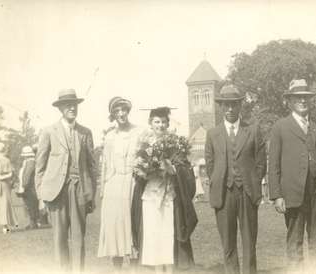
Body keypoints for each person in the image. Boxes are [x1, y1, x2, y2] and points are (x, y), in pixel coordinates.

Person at [268, 79, 316, 272]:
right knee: (295, 239)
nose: (302, 101)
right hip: (292, 192)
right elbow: (273, 164)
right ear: (290, 101)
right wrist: (276, 195)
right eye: (298, 97)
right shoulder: (280, 127)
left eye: (305, 97)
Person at [205, 85, 267, 274]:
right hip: (224, 194)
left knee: (249, 241)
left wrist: (253, 182)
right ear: (221, 107)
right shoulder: (213, 133)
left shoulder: (252, 130)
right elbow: (210, 164)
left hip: (247, 193)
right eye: (226, 105)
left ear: (240, 106)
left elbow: (261, 162)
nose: (230, 109)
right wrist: (221, 180)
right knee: (228, 242)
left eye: (233, 105)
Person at [35, 89, 96, 272]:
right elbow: (40, 167)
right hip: (56, 191)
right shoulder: (48, 131)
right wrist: (40, 197)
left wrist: (91, 194)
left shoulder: (85, 132)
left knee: (78, 238)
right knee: (59, 238)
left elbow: (92, 167)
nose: (72, 108)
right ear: (60, 108)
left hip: (80, 190)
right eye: (68, 105)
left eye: (74, 105)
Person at [132, 107, 197, 274]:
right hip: (150, 196)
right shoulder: (144, 144)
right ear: (150, 123)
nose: (160, 125)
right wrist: (143, 170)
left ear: (168, 124)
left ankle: (169, 270)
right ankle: (156, 270)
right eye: (157, 122)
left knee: (167, 234)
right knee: (153, 234)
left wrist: (171, 168)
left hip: (169, 196)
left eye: (163, 122)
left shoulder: (175, 143)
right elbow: (138, 170)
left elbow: (183, 167)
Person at [98, 97, 141, 271]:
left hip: (132, 182)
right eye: (117, 111)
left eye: (123, 110)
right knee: (114, 224)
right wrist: (103, 187)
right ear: (113, 115)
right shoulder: (109, 137)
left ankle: (134, 267)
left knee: (131, 223)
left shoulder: (139, 132)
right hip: (114, 184)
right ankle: (116, 268)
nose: (121, 114)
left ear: (128, 111)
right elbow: (106, 165)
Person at [0, 142, 18, 234]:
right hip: (5, 184)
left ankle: (4, 227)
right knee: (5, 205)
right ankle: (6, 227)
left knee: (0, 206)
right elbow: (11, 174)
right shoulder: (6, 160)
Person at [16, 145, 40, 230]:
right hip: (28, 186)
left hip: (29, 187)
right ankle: (32, 223)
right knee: (29, 205)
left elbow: (28, 175)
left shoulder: (31, 162)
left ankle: (33, 223)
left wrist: (24, 185)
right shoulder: (28, 162)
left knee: (31, 204)